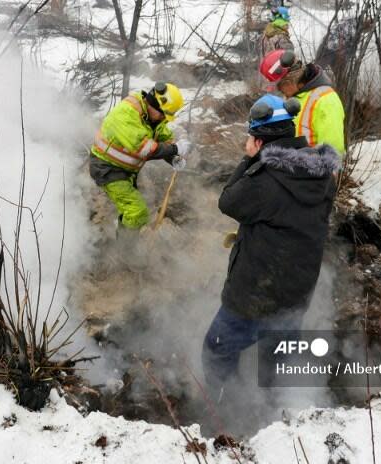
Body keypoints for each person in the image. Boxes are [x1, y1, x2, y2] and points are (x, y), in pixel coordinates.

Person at [202, 94, 338, 391]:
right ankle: (277, 419)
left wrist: (250, 160)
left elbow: (228, 201)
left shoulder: (263, 181)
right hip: (297, 291)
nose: (247, 143)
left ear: (260, 143)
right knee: (277, 363)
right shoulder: (322, 173)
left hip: (256, 294)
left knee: (216, 349)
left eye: (251, 139)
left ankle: (225, 415)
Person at [89, 82, 191, 232]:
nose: (163, 118)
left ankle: (123, 235)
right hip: (107, 168)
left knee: (131, 210)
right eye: (163, 114)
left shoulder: (152, 117)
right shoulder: (126, 114)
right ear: (154, 103)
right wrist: (176, 148)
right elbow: (145, 149)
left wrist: (173, 158)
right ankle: (125, 250)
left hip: (125, 170)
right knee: (137, 212)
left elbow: (163, 139)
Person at [259, 50, 346, 155]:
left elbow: (333, 152)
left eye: (280, 87)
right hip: (289, 168)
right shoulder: (293, 97)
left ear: (289, 81)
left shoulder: (326, 100)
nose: (281, 92)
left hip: (310, 169)